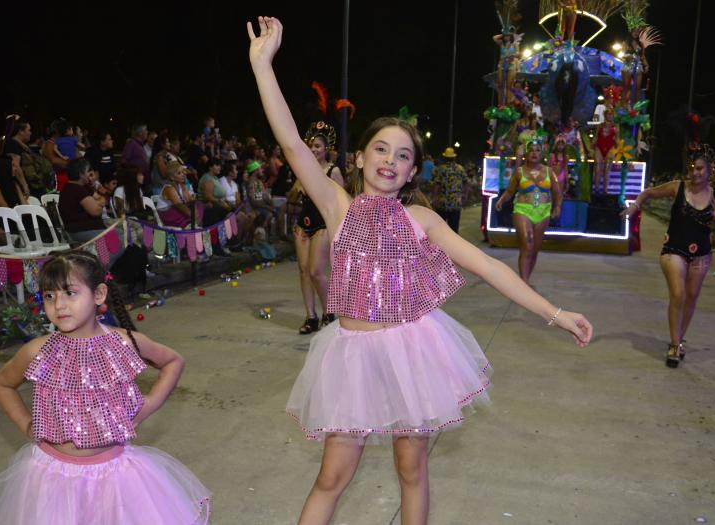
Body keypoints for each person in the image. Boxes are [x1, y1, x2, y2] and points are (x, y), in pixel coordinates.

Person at [248, 17, 592, 524]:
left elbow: (490, 269)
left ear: (413, 172)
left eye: (403, 155)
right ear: (361, 157)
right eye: (381, 149)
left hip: (413, 352)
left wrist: (553, 311)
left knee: (412, 469)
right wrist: (262, 65)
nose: (390, 160)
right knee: (332, 477)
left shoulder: (422, 220)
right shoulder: (337, 205)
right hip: (350, 357)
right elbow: (294, 144)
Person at [0, 251, 211, 524]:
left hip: (114, 475)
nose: (59, 305)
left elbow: (172, 361)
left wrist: (146, 406)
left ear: (98, 294)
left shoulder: (123, 341)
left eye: (70, 293)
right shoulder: (38, 350)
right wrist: (27, 424)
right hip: (51, 475)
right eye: (50, 296)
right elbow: (3, 383)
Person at [621, 146, 715, 368]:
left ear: (710, 170)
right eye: (693, 168)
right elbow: (648, 193)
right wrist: (634, 206)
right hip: (673, 250)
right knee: (678, 293)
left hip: (701, 254)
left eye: (700, 168)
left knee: (691, 297)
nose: (695, 173)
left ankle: (678, 338)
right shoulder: (678, 187)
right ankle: (674, 345)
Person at [289, 123, 344, 334]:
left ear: (327, 148)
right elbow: (292, 197)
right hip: (303, 224)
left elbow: (340, 201)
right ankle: (311, 317)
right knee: (303, 271)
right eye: (311, 145)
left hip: (323, 224)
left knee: (316, 271)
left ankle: (329, 312)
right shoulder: (303, 168)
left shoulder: (333, 170)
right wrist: (297, 187)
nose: (313, 150)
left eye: (318, 146)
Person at [494, 139, 562, 282]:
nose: (534, 153)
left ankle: (526, 279)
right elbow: (510, 191)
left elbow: (557, 192)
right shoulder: (519, 172)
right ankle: (523, 283)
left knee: (535, 249)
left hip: (543, 212)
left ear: (542, 154)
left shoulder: (549, 171)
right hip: (523, 210)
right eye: (531, 150)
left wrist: (557, 207)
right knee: (527, 244)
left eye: (537, 150)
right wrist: (501, 200)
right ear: (526, 154)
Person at [58, 158, 106, 244]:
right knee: (118, 235)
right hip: (80, 231)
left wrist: (95, 203)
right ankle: (104, 257)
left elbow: (102, 200)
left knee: (126, 228)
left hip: (92, 228)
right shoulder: (75, 189)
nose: (89, 175)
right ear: (81, 174)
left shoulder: (84, 186)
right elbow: (96, 211)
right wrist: (96, 203)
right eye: (88, 172)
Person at [431, 147, 468, 233]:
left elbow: (437, 184)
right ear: (454, 157)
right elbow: (466, 183)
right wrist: (465, 195)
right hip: (456, 203)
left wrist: (434, 198)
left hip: (442, 203)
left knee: (440, 228)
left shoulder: (440, 169)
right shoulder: (460, 169)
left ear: (445, 158)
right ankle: (453, 245)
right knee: (454, 228)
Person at [156, 159, 195, 228]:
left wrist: (184, 189)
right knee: (190, 214)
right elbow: (180, 206)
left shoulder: (181, 185)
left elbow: (190, 201)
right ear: (172, 177)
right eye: (179, 173)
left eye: (183, 172)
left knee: (199, 205)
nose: (183, 174)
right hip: (167, 214)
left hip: (176, 211)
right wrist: (194, 217)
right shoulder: (169, 188)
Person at [593, 108, 616, 194]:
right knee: (598, 168)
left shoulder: (616, 126)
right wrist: (592, 145)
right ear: (605, 115)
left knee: (607, 169)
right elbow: (596, 137)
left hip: (610, 148)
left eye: (611, 114)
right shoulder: (600, 125)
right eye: (608, 114)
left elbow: (617, 139)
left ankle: (605, 191)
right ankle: (596, 190)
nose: (609, 116)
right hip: (599, 147)